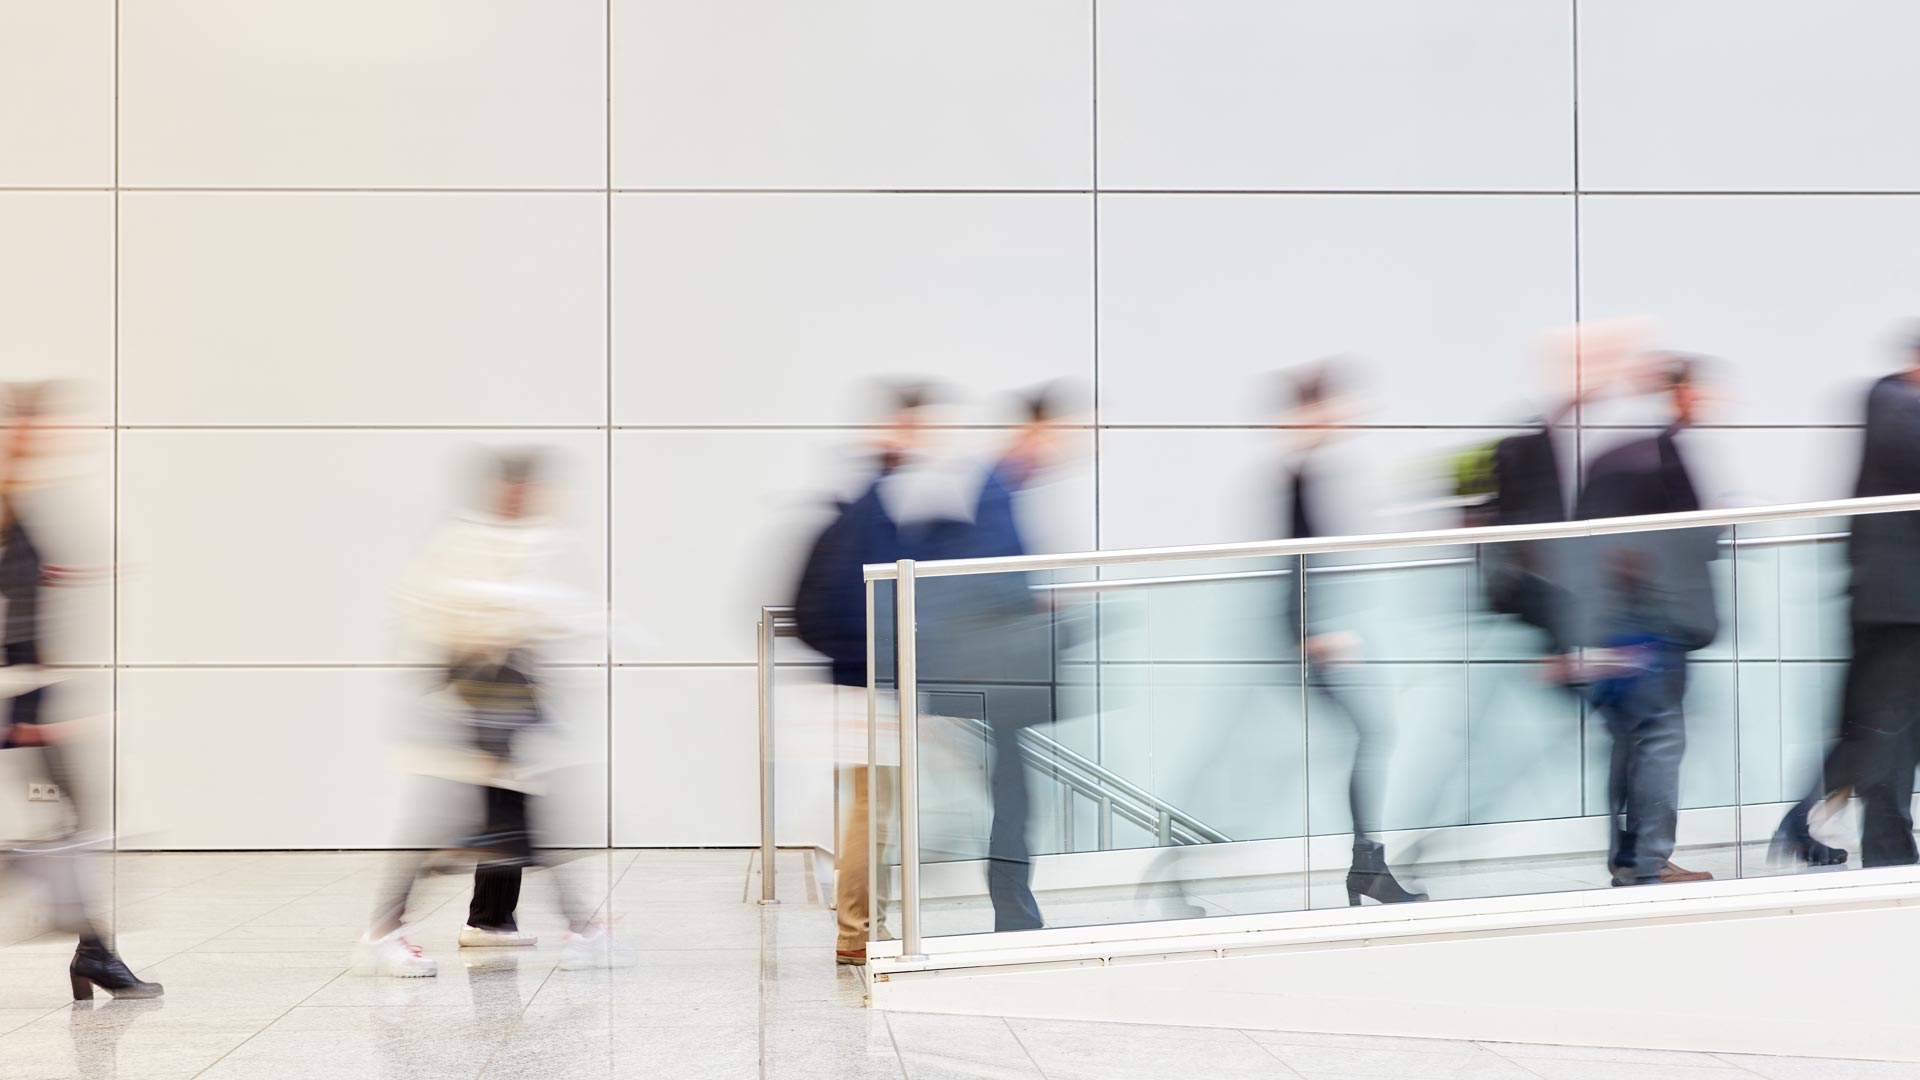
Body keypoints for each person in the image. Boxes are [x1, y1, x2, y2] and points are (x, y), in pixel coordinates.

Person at [353, 450, 620, 977]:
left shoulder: (535, 540)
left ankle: (494, 921)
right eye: (518, 490)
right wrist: (516, 613)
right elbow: (440, 614)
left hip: (504, 704)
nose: (527, 499)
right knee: (465, 822)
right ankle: (382, 932)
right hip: (470, 707)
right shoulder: (461, 543)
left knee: (514, 816)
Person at [0, 382, 160, 1000]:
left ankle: (94, 952)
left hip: (36, 692)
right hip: (24, 695)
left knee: (77, 824)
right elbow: (17, 615)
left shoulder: (29, 500)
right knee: (76, 824)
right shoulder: (13, 503)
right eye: (49, 426)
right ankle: (92, 951)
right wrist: (36, 707)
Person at [793, 381, 944, 966]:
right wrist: (877, 668)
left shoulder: (870, 504)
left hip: (867, 679)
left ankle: (863, 927)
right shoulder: (874, 511)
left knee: (870, 807)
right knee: (871, 810)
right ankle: (859, 933)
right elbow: (871, 603)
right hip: (871, 681)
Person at [1277, 362, 1425, 906]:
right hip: (1318, 639)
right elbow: (1289, 562)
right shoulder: (1299, 476)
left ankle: (1368, 864)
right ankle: (1367, 866)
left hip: (1332, 635)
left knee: (1370, 735)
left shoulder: (1319, 471)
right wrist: (1311, 630)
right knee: (1372, 735)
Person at [1774, 337, 1920, 867]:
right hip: (1895, 606)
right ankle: (1822, 824)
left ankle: (1881, 846)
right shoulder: (1893, 403)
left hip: (1895, 604)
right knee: (1880, 728)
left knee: (1887, 729)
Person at [1575, 356, 1718, 887]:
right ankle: (1649, 862)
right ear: (1676, 392)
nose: (1701, 401)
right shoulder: (1655, 453)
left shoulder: (1615, 450)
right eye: (1695, 390)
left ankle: (1631, 858)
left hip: (1616, 617)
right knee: (1659, 738)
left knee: (1631, 742)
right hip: (1651, 619)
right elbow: (1686, 536)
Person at [964, 382, 1076, 933]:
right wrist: (1032, 601)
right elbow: (986, 583)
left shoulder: (1005, 486)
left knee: (1016, 799)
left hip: (1002, 673)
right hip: (995, 674)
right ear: (1036, 429)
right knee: (1013, 800)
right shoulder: (995, 488)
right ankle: (1014, 915)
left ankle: (1016, 912)